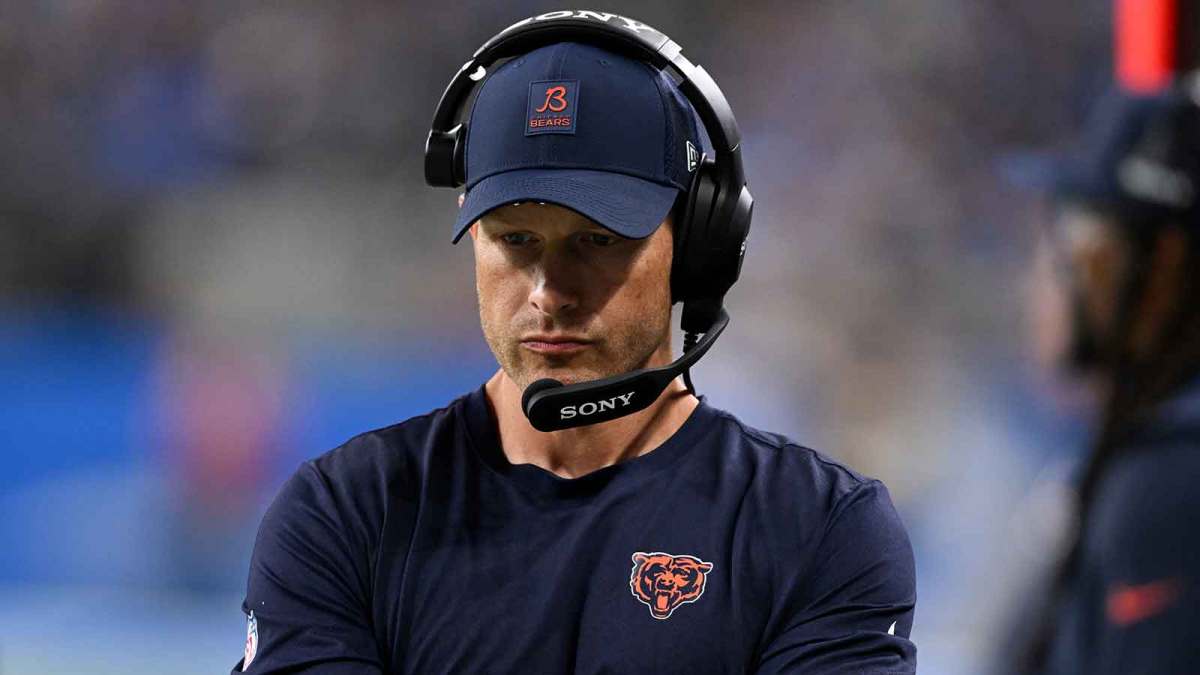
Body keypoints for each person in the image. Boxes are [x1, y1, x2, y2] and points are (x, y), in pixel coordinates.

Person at [233, 13, 916, 674]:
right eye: (516, 240)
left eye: (598, 239)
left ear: (697, 244)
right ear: (471, 233)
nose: (548, 292)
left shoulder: (817, 530)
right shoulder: (346, 514)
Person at [1014, 81, 1200, 674]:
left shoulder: (1172, 481)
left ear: (1165, 263)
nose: (1051, 276)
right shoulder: (1141, 460)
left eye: (1084, 241)